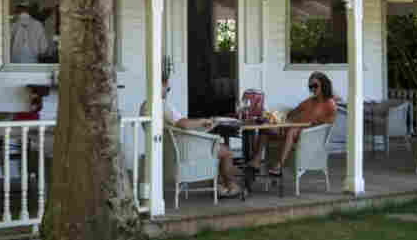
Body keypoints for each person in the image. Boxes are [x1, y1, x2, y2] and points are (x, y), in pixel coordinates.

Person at [141, 67, 243, 197]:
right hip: (183, 150)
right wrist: (203, 121)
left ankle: (219, 185)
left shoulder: (145, 105)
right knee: (226, 152)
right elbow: (183, 124)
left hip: (166, 150)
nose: (167, 91)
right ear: (162, 84)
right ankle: (231, 186)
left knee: (215, 143)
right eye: (168, 88)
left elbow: (178, 124)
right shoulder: (162, 105)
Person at [267, 71, 338, 174]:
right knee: (265, 130)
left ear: (323, 85)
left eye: (315, 86)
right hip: (296, 129)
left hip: (310, 135)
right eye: (310, 86)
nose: (312, 89)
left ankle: (279, 165)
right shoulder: (310, 101)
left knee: (291, 131)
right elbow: (293, 112)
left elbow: (329, 123)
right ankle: (255, 162)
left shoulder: (329, 103)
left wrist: (312, 123)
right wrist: (283, 117)